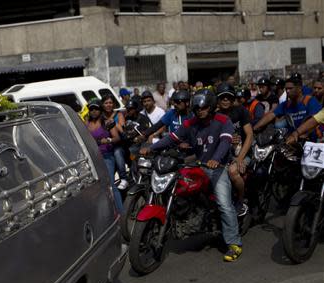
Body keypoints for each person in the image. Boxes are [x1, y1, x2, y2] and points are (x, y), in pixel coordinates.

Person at [140, 89, 243, 262]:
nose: (200, 111)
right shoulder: (190, 123)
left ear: (210, 107)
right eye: (196, 108)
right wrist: (150, 148)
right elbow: (172, 138)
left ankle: (234, 243)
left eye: (203, 108)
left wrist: (216, 159)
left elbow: (225, 141)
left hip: (219, 167)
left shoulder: (223, 120)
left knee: (224, 205)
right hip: (198, 164)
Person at [216, 83, 254, 216]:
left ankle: (241, 200)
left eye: (228, 97)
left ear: (233, 99)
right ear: (218, 100)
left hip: (242, 153)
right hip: (224, 155)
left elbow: (249, 135)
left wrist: (239, 159)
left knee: (233, 171)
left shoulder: (241, 111)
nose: (225, 100)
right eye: (222, 97)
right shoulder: (215, 116)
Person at [85, 99, 123, 212]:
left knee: (111, 184)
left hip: (107, 157)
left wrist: (108, 140)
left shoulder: (107, 122)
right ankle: (107, 212)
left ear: (100, 110)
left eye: (96, 109)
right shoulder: (86, 123)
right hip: (93, 158)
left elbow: (117, 138)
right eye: (91, 109)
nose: (94, 111)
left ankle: (121, 212)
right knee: (97, 187)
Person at [254, 78, 322, 136]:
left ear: (299, 88)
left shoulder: (310, 101)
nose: (287, 91)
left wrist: (301, 134)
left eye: (290, 88)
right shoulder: (286, 104)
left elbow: (313, 121)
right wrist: (255, 128)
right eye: (286, 89)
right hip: (291, 140)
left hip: (309, 140)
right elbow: (270, 116)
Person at [102, 95, 129, 190]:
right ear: (103, 105)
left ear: (113, 104)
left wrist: (113, 122)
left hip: (120, 144)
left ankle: (124, 178)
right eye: (106, 103)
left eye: (110, 103)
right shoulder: (101, 116)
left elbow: (122, 131)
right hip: (106, 145)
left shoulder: (119, 114)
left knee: (117, 152)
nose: (108, 105)